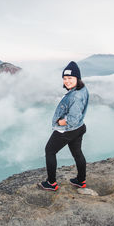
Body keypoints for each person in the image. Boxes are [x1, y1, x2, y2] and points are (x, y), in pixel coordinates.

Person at [39, 61, 89, 191]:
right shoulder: (82, 89)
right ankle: (81, 181)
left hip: (68, 130)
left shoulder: (76, 96)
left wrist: (61, 122)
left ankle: (51, 183)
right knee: (77, 153)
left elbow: (72, 119)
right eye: (65, 78)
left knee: (49, 151)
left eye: (70, 78)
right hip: (79, 128)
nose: (67, 81)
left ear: (77, 78)